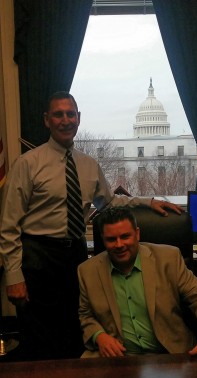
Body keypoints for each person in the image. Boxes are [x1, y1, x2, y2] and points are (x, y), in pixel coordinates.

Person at [0, 91, 182, 360]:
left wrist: (148, 201)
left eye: (70, 114)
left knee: (75, 329)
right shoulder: (27, 164)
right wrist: (13, 277)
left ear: (78, 118)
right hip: (38, 257)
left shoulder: (89, 165)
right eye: (58, 114)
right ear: (46, 120)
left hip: (75, 255)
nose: (65, 120)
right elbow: (8, 226)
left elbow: (108, 203)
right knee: (39, 338)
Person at [78, 206, 197, 371]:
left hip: (170, 356)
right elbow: (85, 315)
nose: (119, 245)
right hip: (117, 358)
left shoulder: (168, 259)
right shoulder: (87, 271)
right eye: (111, 239)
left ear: (137, 234)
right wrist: (99, 336)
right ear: (103, 240)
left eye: (125, 236)